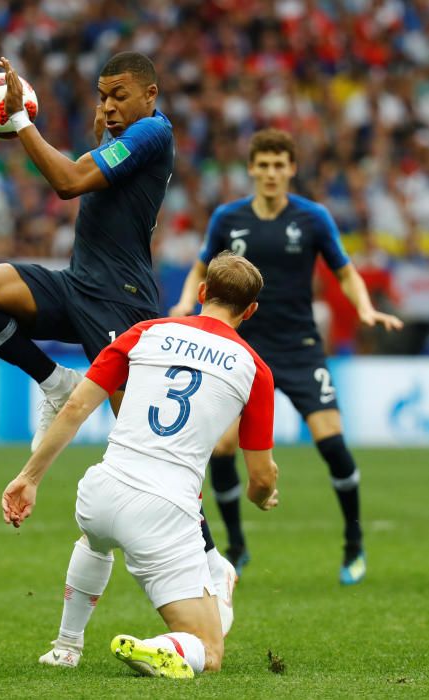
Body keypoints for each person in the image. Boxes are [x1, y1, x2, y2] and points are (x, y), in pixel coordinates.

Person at [0, 51, 236, 624]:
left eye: (119, 94)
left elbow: (66, 182)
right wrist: (26, 124)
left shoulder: (154, 133)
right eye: (102, 95)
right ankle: (55, 381)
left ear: (150, 95)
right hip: (75, 287)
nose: (108, 106)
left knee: (146, 446)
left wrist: (20, 120)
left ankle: (209, 558)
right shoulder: (115, 141)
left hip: (120, 304)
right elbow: (73, 169)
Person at [2, 252, 279, 678]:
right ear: (252, 310)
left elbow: (75, 406)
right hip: (163, 512)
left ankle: (66, 646)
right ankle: (161, 643)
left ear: (202, 292)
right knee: (210, 648)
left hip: (101, 491)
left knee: (93, 541)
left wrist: (28, 477)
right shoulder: (254, 370)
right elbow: (259, 477)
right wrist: (264, 496)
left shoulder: (145, 331)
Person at [170, 128, 403, 585]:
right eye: (265, 164)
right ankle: (236, 547)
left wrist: (365, 307)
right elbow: (202, 266)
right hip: (241, 351)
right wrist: (184, 302)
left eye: (281, 165)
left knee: (332, 443)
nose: (272, 172)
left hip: (299, 348)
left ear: (291, 169)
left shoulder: (313, 218)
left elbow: (345, 270)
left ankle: (353, 543)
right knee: (221, 448)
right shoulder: (227, 218)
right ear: (253, 168)